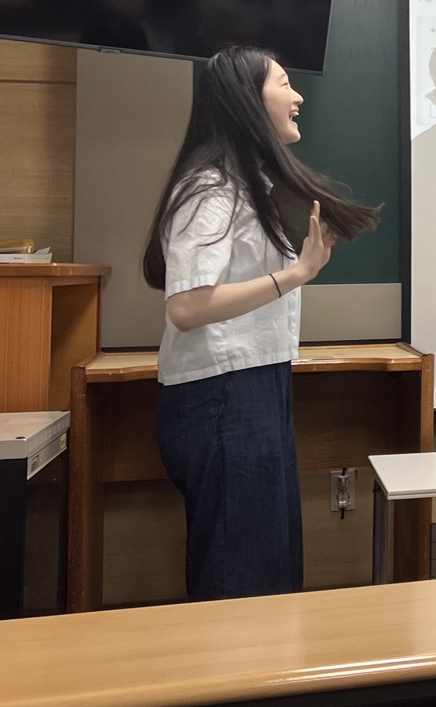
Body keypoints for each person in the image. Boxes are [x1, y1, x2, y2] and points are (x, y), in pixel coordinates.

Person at [142, 46, 378, 600]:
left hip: (251, 385)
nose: (298, 97)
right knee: (243, 580)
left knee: (268, 568)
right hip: (224, 393)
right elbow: (187, 307)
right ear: (247, 99)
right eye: (284, 83)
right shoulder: (211, 188)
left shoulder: (244, 186)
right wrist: (296, 274)